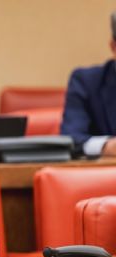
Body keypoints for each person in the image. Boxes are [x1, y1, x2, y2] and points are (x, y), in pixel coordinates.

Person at [61, 11, 116, 157]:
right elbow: (71, 138)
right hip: (105, 176)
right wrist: (106, 146)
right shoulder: (86, 82)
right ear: (113, 47)